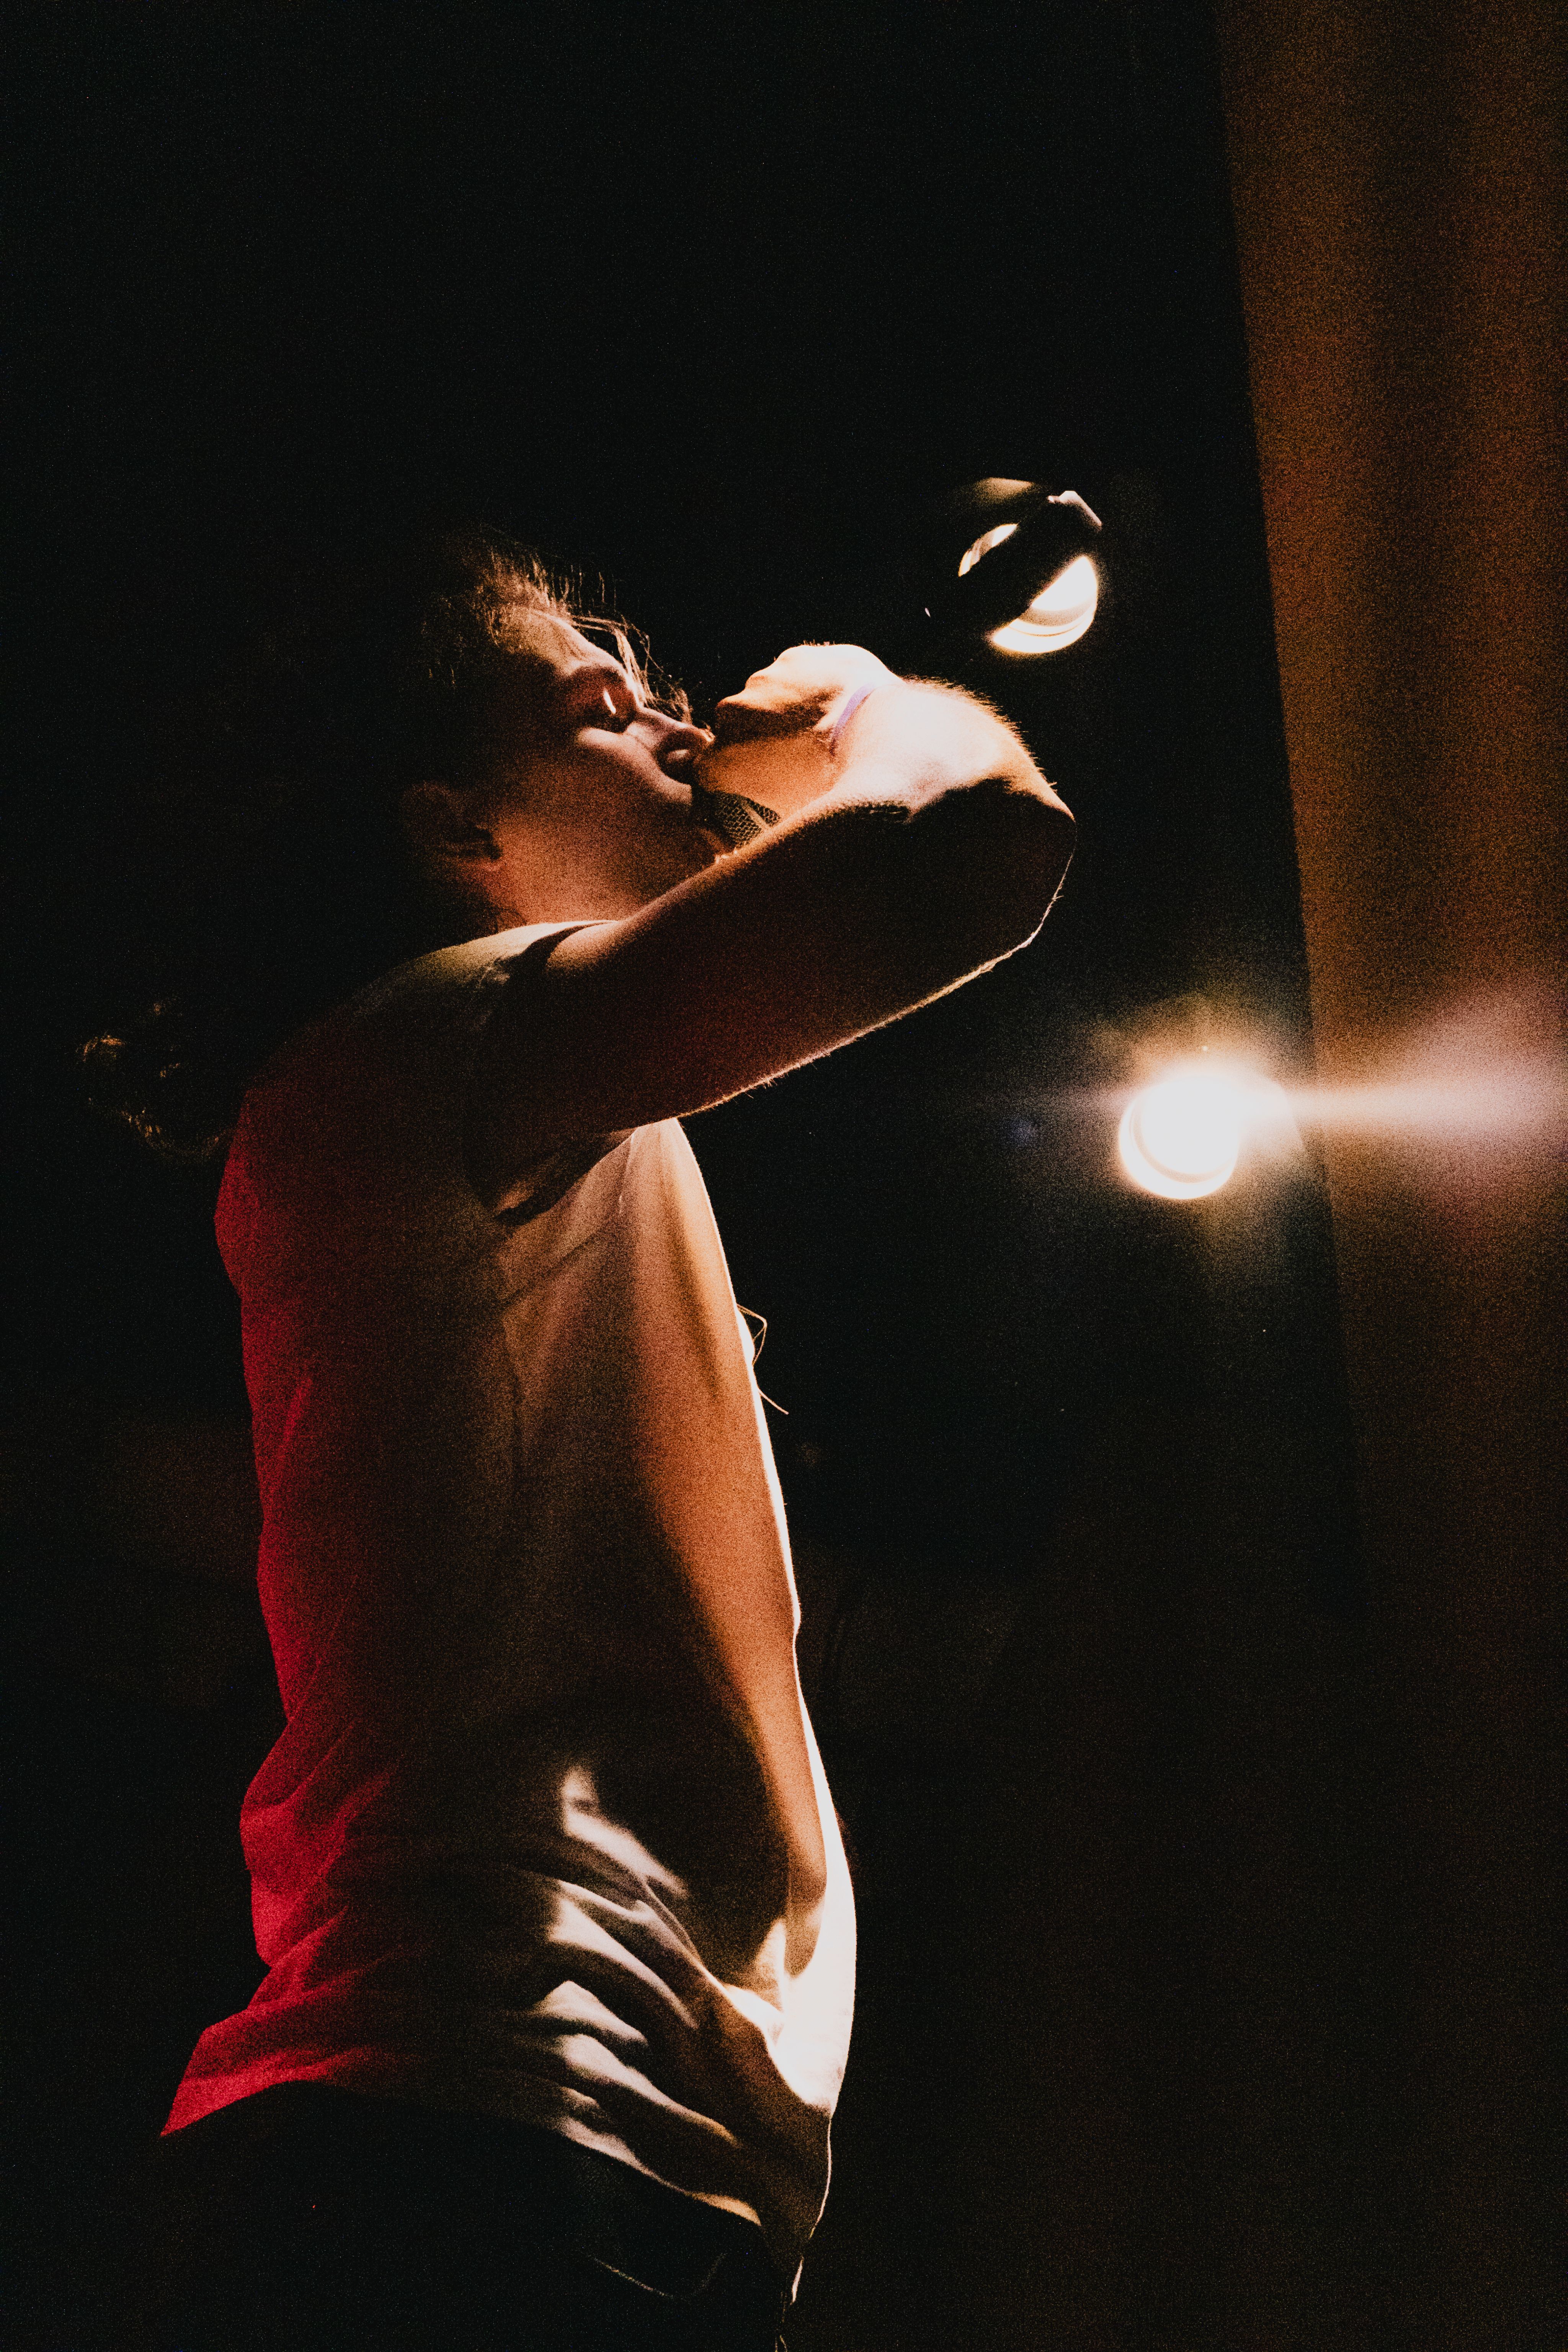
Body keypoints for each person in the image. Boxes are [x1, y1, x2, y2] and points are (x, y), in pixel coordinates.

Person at [99, 529, 1075, 2350]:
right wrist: (861, 706)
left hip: (506, 2157)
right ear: (455, 825)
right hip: (470, 2153)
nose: (678, 725)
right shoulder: (412, 1052)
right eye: (602, 704)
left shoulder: (473, 1114)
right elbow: (974, 847)